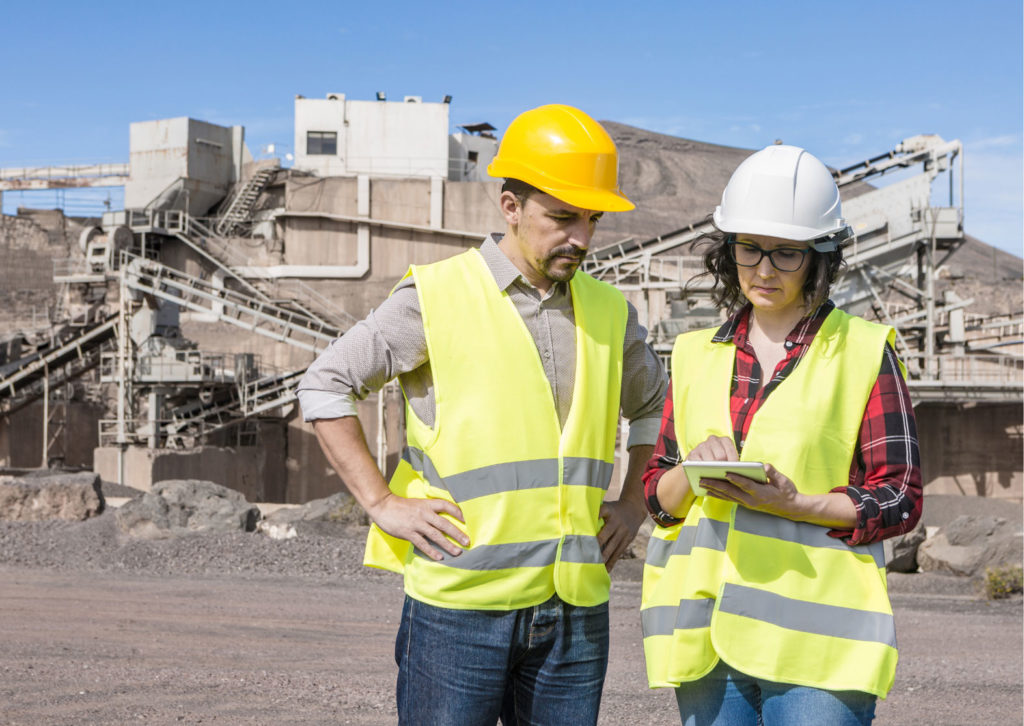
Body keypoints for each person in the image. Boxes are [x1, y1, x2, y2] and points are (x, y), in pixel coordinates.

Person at [297, 104, 667, 726]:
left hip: (573, 611)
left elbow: (658, 404)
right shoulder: (435, 297)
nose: (580, 237)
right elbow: (326, 385)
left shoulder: (609, 312)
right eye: (562, 217)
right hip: (459, 610)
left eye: (591, 220)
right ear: (511, 206)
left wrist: (633, 504)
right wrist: (383, 504)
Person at [639, 144, 922, 726]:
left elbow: (899, 497)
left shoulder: (865, 352)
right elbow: (657, 499)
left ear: (820, 257)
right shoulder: (692, 355)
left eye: (787, 254)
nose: (764, 270)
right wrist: (688, 472)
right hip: (707, 637)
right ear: (729, 249)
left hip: (819, 645)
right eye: (750, 248)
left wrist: (795, 504)